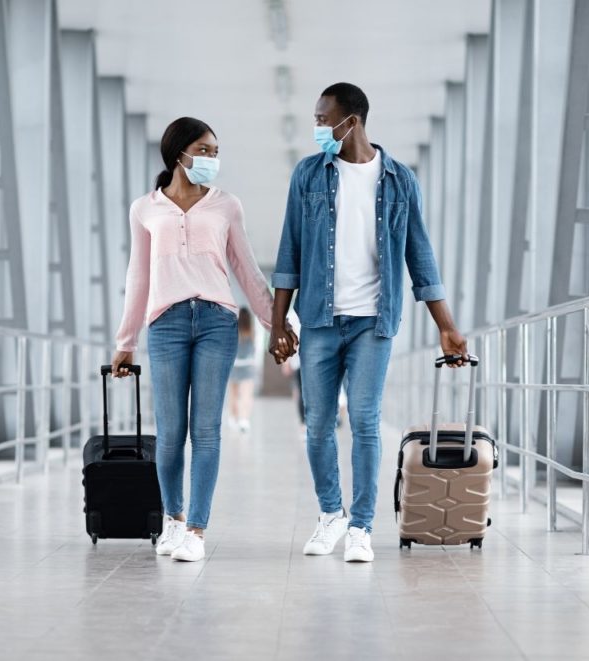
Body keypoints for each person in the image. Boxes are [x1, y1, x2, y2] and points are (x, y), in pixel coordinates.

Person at [269, 83, 468, 563]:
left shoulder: (400, 179)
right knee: (317, 423)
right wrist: (279, 324)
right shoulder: (308, 175)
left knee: (364, 421)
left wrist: (446, 325)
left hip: (373, 323)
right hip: (318, 318)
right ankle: (331, 513)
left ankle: (360, 526)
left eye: (323, 120)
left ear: (350, 121)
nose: (318, 128)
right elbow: (288, 254)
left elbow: (420, 256)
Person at [112, 117, 296, 562]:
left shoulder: (226, 205)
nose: (212, 158)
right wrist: (126, 340)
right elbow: (138, 277)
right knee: (172, 432)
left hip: (216, 320)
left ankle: (196, 529)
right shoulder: (145, 209)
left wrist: (278, 322)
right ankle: (173, 521)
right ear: (179, 153)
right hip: (166, 324)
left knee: (207, 430)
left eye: (215, 150)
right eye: (204, 149)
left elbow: (247, 269)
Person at [226, 307, 258, 433]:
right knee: (246, 395)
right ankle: (244, 420)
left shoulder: (234, 331)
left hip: (234, 366)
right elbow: (255, 349)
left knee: (233, 394)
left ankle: (233, 418)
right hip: (248, 366)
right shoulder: (252, 331)